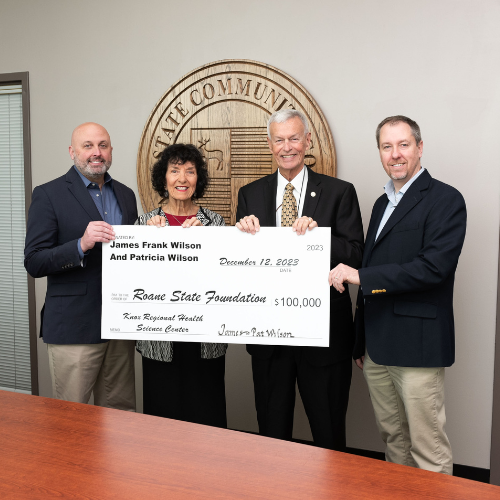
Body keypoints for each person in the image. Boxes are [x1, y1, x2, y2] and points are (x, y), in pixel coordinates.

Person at [330, 115, 467, 474]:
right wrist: (360, 341)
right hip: (377, 349)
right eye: (386, 147)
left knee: (427, 447)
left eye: (403, 145)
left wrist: (360, 275)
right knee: (395, 441)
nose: (395, 154)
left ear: (420, 148)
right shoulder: (381, 204)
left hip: (417, 347)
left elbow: (433, 268)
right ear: (379, 153)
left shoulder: (445, 200)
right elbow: (376, 262)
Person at [236, 109, 364, 450]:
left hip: (323, 335)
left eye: (294, 138)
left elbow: (355, 255)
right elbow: (241, 267)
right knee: (272, 435)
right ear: (269, 145)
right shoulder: (250, 195)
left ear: (308, 141)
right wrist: (239, 237)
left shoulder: (339, 192)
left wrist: (319, 236)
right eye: (279, 139)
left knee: (328, 432)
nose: (287, 146)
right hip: (269, 337)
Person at [24, 122, 138, 410]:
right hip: (73, 328)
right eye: (88, 146)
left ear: (111, 150)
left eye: (103, 145)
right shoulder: (48, 194)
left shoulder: (126, 195)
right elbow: (34, 260)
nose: (96, 153)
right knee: (72, 420)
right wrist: (80, 244)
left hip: (119, 325)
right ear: (72, 151)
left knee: (119, 415)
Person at [136, 143, 228, 428]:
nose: (182, 179)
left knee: (205, 417)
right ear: (163, 178)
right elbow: (135, 284)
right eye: (174, 171)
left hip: (204, 340)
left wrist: (208, 243)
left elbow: (226, 282)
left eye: (190, 171)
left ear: (198, 178)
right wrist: (146, 244)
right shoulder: (143, 225)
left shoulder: (215, 223)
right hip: (159, 340)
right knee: (161, 423)